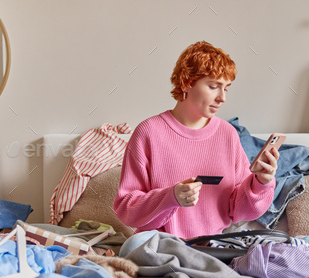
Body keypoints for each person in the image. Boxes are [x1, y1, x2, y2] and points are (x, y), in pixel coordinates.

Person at [113, 41, 279, 240]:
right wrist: (170, 197)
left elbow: (238, 211)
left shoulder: (227, 134)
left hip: (212, 248)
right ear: (186, 83)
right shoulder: (148, 133)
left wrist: (261, 182)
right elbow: (126, 210)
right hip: (159, 246)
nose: (222, 98)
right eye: (213, 86)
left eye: (226, 88)